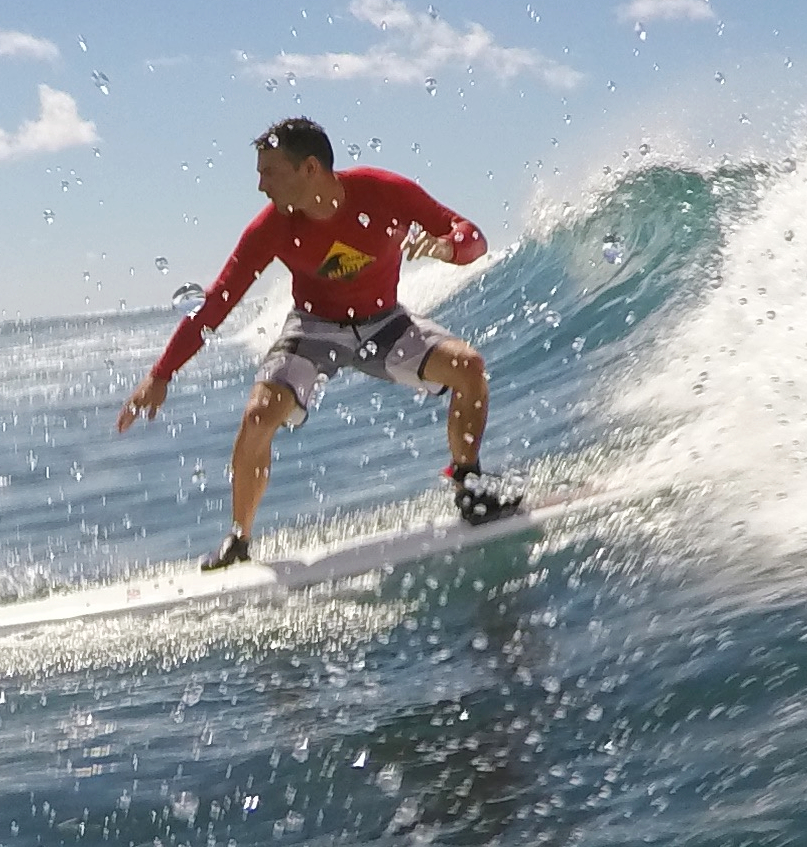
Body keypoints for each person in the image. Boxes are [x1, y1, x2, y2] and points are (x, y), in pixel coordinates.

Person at [116, 115, 521, 569]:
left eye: (270, 172)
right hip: (312, 330)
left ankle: (469, 486)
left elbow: (472, 236)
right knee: (258, 414)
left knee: (468, 366)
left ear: (309, 169)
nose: (261, 186)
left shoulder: (382, 191)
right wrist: (161, 374)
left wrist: (449, 247)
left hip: (384, 324)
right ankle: (238, 540)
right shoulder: (270, 227)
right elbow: (216, 303)